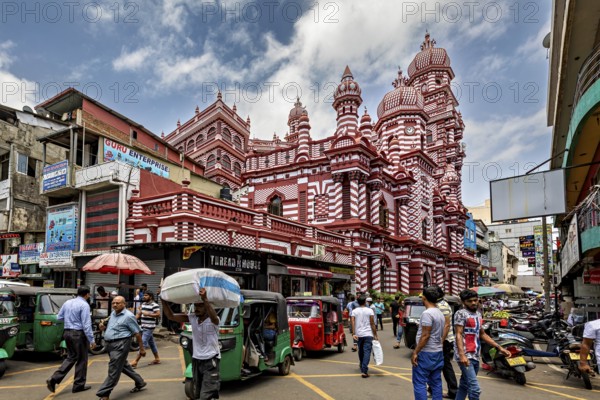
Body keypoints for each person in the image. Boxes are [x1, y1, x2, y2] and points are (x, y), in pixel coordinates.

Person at [162, 288, 220, 400]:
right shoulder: (192, 318)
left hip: (211, 360)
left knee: (205, 395)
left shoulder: (214, 320)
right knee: (198, 392)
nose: (197, 308)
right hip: (196, 360)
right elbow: (171, 316)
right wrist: (163, 300)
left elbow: (213, 316)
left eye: (200, 306)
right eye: (196, 306)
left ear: (207, 308)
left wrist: (205, 299)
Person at [454, 289, 511, 400]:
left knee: (465, 385)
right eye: (470, 301)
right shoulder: (460, 314)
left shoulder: (478, 314)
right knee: (475, 389)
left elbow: (482, 334)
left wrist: (499, 348)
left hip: (475, 354)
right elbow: (458, 334)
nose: (473, 303)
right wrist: (461, 355)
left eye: (475, 300)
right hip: (466, 355)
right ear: (463, 302)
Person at [96, 296, 147, 400]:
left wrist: (141, 348)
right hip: (110, 345)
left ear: (124, 304)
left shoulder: (129, 316)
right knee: (122, 366)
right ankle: (140, 382)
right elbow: (112, 328)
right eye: (113, 303)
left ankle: (104, 393)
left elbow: (137, 333)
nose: (115, 305)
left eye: (117, 303)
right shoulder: (113, 314)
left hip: (121, 344)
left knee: (114, 368)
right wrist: (103, 328)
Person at [46, 286, 96, 394]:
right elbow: (86, 325)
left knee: (71, 357)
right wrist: (92, 340)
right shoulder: (84, 305)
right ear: (87, 294)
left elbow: (59, 317)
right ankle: (78, 385)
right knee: (82, 360)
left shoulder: (68, 302)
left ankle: (54, 378)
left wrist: (70, 320)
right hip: (78, 334)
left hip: (67, 333)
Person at [411, 286, 445, 400]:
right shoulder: (439, 313)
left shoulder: (427, 313)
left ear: (424, 298)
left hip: (426, 353)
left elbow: (425, 335)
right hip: (438, 352)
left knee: (420, 382)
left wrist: (416, 352)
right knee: (436, 383)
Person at [131, 291, 161, 368]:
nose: (144, 297)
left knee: (143, 343)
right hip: (143, 326)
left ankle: (135, 361)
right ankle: (157, 358)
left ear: (150, 296)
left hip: (149, 327)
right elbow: (139, 314)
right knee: (151, 343)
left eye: (146, 295)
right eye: (144, 295)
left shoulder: (155, 305)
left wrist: (148, 314)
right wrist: (132, 320)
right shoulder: (143, 305)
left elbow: (158, 314)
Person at [436, 292, 457, 399]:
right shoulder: (441, 304)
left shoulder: (442, 306)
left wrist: (441, 341)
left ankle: (453, 391)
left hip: (444, 341)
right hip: (443, 340)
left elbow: (447, 325)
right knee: (440, 365)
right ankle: (433, 388)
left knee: (445, 366)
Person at [351, 295, 378, 378]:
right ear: (365, 301)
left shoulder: (354, 311)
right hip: (368, 334)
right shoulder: (369, 310)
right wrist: (375, 334)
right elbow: (372, 323)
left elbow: (352, 322)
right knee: (367, 351)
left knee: (361, 350)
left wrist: (353, 333)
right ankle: (364, 371)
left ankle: (362, 364)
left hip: (359, 334)